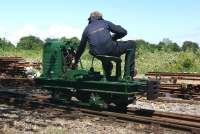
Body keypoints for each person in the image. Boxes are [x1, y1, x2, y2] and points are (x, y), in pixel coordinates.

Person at [75, 11, 136, 79]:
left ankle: (107, 72)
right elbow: (123, 31)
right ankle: (128, 75)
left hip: (97, 53)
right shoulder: (105, 22)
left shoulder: (86, 29)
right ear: (100, 17)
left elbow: (81, 48)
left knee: (103, 52)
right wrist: (114, 38)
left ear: (90, 19)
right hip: (110, 49)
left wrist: (75, 61)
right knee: (132, 44)